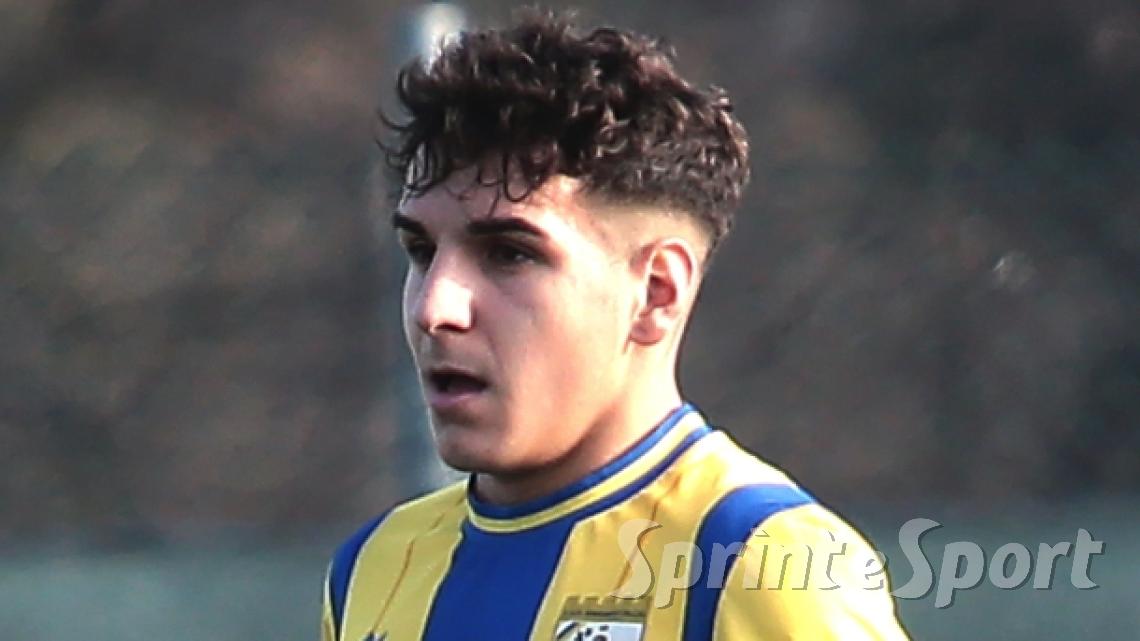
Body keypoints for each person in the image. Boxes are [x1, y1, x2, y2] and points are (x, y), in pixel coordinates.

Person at [321, 10, 910, 641]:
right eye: (421, 251)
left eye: (510, 255)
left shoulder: (764, 562)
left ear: (656, 292)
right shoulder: (373, 568)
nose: (434, 307)